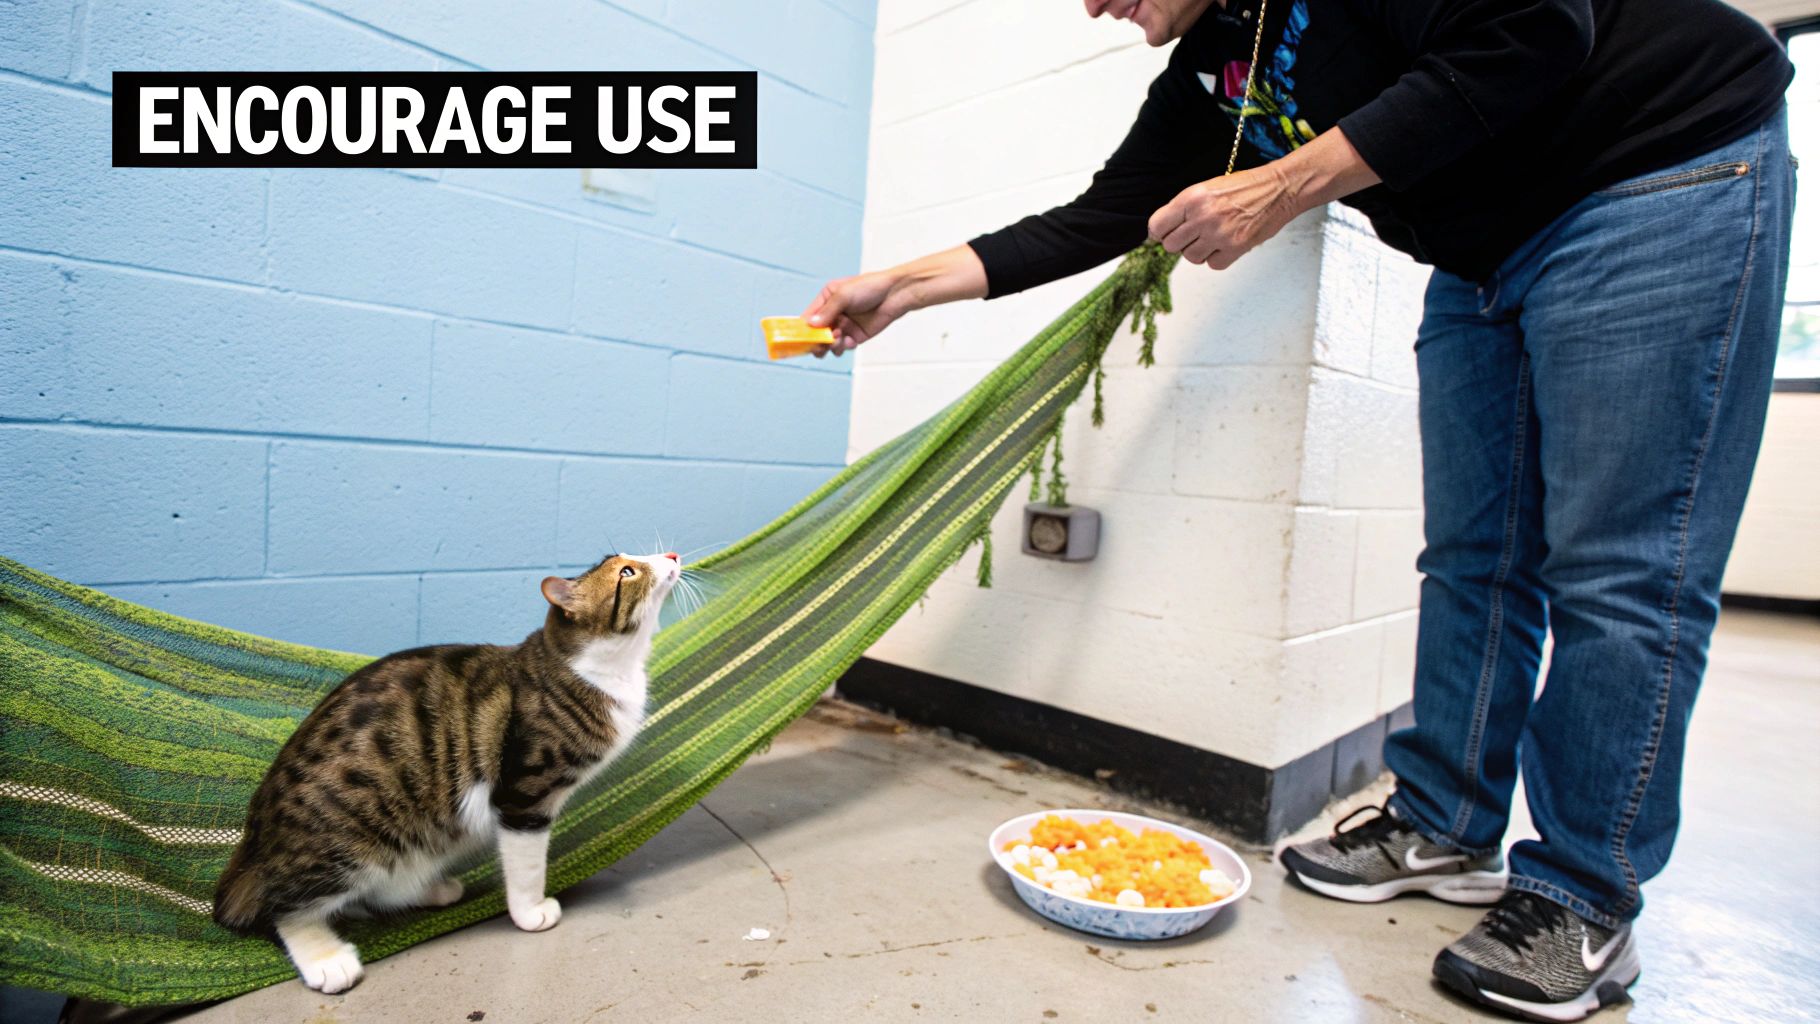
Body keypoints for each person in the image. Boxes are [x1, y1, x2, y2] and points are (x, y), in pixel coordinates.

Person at [801, 1, 1796, 1019]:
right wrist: (903, 286)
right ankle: (1443, 825)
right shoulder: (1214, 64)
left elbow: (1534, 28)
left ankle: (1581, 896)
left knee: (1618, 569)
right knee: (1470, 558)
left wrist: (1283, 184)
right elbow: (1102, 215)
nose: (1093, 4)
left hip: (1656, 176)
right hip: (1482, 259)